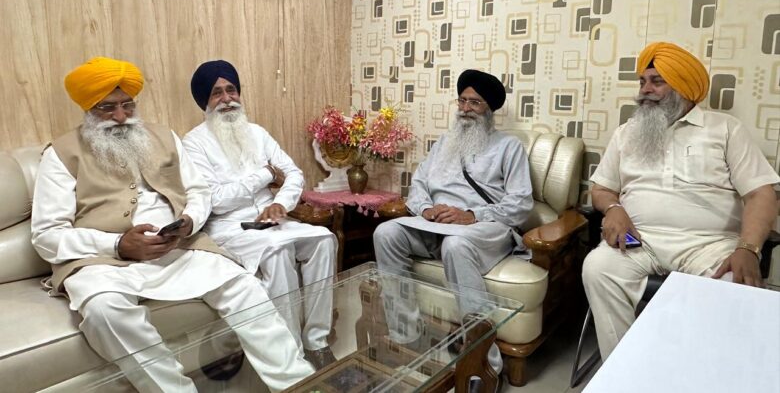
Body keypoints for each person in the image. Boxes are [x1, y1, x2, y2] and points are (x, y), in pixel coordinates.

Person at [31, 57, 314, 392]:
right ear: (88, 108)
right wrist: (118, 244)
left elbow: (199, 192)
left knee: (244, 286)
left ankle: (299, 384)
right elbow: (47, 235)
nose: (121, 116)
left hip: (179, 248)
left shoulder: (164, 137)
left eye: (127, 105)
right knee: (104, 311)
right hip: (104, 262)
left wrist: (189, 221)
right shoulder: (60, 154)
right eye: (107, 108)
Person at [583, 42, 780, 359]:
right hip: (640, 240)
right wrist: (614, 208)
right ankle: (625, 366)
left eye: (656, 81)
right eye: (642, 82)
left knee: (734, 282)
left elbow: (761, 193)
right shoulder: (626, 132)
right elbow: (602, 189)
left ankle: (694, 369)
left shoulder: (725, 129)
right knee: (598, 267)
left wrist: (748, 248)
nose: (645, 90)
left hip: (709, 245)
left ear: (684, 87)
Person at [373, 69, 534, 378]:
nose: (465, 109)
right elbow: (419, 185)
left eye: (474, 102)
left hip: (481, 228)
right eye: (462, 101)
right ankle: (405, 336)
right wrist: (426, 209)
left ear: (489, 109)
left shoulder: (509, 147)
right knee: (386, 233)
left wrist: (471, 215)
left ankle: (484, 360)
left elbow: (521, 203)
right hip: (435, 225)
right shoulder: (444, 143)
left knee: (455, 244)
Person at [182, 60, 338, 369]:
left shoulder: (257, 133)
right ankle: (291, 353)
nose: (227, 99)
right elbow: (216, 201)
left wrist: (282, 203)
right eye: (216, 93)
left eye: (231, 90)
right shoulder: (193, 143)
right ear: (205, 101)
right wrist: (265, 174)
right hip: (230, 227)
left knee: (323, 238)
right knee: (277, 252)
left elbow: (293, 173)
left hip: (274, 221)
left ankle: (316, 341)